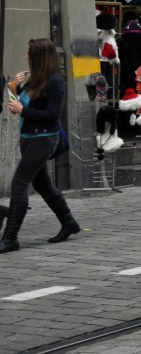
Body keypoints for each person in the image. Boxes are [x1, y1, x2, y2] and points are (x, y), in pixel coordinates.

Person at [2, 38, 82, 252]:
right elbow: (14, 107)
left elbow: (52, 115)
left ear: (39, 57)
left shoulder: (55, 81)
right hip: (28, 137)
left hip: (44, 138)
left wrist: (23, 110)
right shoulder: (33, 80)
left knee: (19, 183)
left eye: (29, 53)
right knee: (42, 184)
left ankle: (10, 238)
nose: (26, 57)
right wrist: (12, 87)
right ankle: (69, 222)